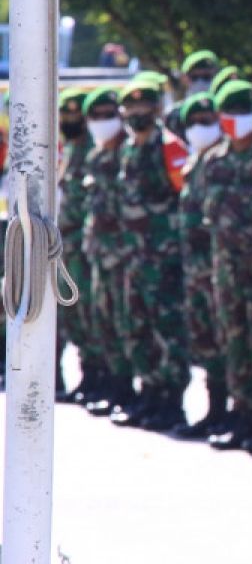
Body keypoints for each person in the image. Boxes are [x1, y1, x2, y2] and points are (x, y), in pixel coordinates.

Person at [112, 80, 190, 431]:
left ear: (158, 110)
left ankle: (171, 402)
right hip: (134, 259)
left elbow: (184, 197)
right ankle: (150, 394)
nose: (137, 115)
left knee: (167, 332)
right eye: (131, 109)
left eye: (144, 109)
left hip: (164, 260)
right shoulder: (129, 148)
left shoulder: (170, 148)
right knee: (138, 329)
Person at [204, 79, 252, 451]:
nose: (237, 121)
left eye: (244, 113)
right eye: (231, 115)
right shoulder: (214, 160)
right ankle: (242, 415)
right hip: (226, 269)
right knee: (234, 343)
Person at [172, 92, 229, 440]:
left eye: (207, 122)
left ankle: (237, 415)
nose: (200, 129)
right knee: (206, 345)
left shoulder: (224, 163)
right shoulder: (193, 164)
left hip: (220, 271)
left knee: (228, 345)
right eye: (193, 123)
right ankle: (214, 411)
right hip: (196, 273)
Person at [80, 88, 136, 418]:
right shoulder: (95, 156)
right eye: (96, 117)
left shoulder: (128, 153)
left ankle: (137, 392)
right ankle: (116, 386)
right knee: (106, 324)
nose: (103, 123)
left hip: (128, 255)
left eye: (109, 115)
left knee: (130, 325)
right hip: (100, 255)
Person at [57, 87, 98, 404]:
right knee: (71, 315)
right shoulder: (68, 149)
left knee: (88, 315)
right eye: (65, 114)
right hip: (66, 247)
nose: (70, 120)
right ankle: (83, 378)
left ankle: (95, 377)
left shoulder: (91, 150)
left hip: (85, 248)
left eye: (75, 115)